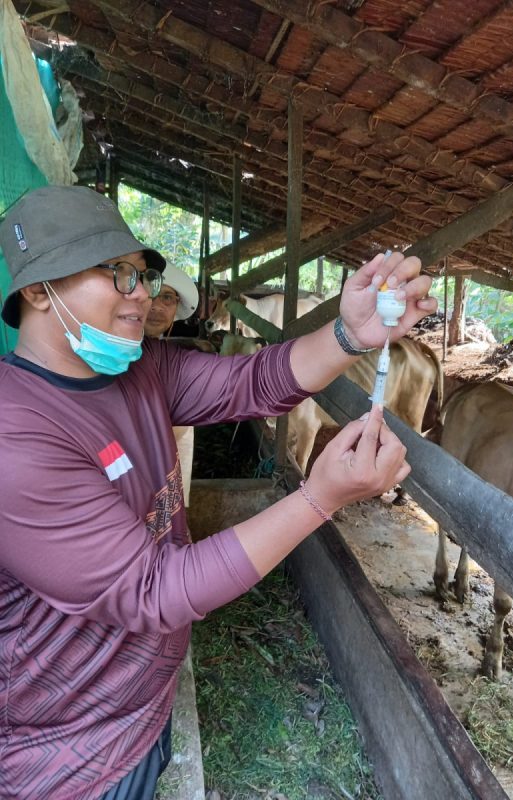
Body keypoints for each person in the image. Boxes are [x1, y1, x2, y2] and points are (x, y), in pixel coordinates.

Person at [0, 185, 436, 800]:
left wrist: (350, 334)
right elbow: (153, 589)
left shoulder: (141, 369)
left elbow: (253, 380)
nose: (142, 295)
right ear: (38, 291)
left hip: (143, 706)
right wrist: (319, 499)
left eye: (143, 275)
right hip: (68, 756)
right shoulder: (16, 435)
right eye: (116, 275)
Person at [143, 261, 199, 506]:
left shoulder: (168, 361)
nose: (156, 306)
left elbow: (183, 444)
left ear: (176, 309)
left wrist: (178, 511)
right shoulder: (114, 357)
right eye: (150, 294)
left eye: (167, 297)